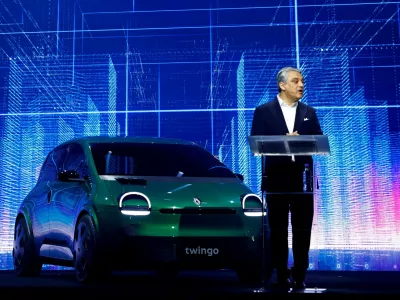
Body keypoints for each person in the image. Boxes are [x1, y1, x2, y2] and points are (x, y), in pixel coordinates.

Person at [250, 66, 323, 289]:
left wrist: (303, 140)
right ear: (282, 85)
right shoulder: (263, 111)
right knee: (278, 231)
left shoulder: (309, 112)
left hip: (302, 180)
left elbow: (319, 141)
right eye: (295, 81)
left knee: (303, 230)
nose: (301, 85)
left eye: (302, 81)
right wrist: (285, 140)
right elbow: (256, 144)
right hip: (276, 179)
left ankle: (300, 273)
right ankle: (281, 273)